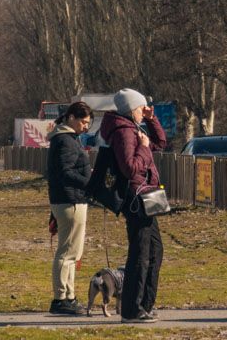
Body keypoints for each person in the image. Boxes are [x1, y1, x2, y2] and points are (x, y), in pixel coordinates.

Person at [99, 88, 167, 324]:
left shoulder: (133, 128)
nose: (142, 111)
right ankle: (131, 309)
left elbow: (160, 142)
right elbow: (130, 167)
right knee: (140, 253)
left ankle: (145, 304)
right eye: (140, 108)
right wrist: (144, 147)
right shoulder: (124, 133)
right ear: (130, 109)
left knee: (155, 250)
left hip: (147, 195)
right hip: (137, 197)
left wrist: (151, 119)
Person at [47, 101, 94, 316]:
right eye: (83, 122)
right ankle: (61, 299)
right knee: (67, 253)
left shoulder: (65, 139)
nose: (86, 127)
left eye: (88, 123)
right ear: (71, 118)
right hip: (70, 201)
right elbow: (65, 173)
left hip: (68, 200)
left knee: (72, 253)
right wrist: (90, 183)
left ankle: (69, 296)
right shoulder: (65, 141)